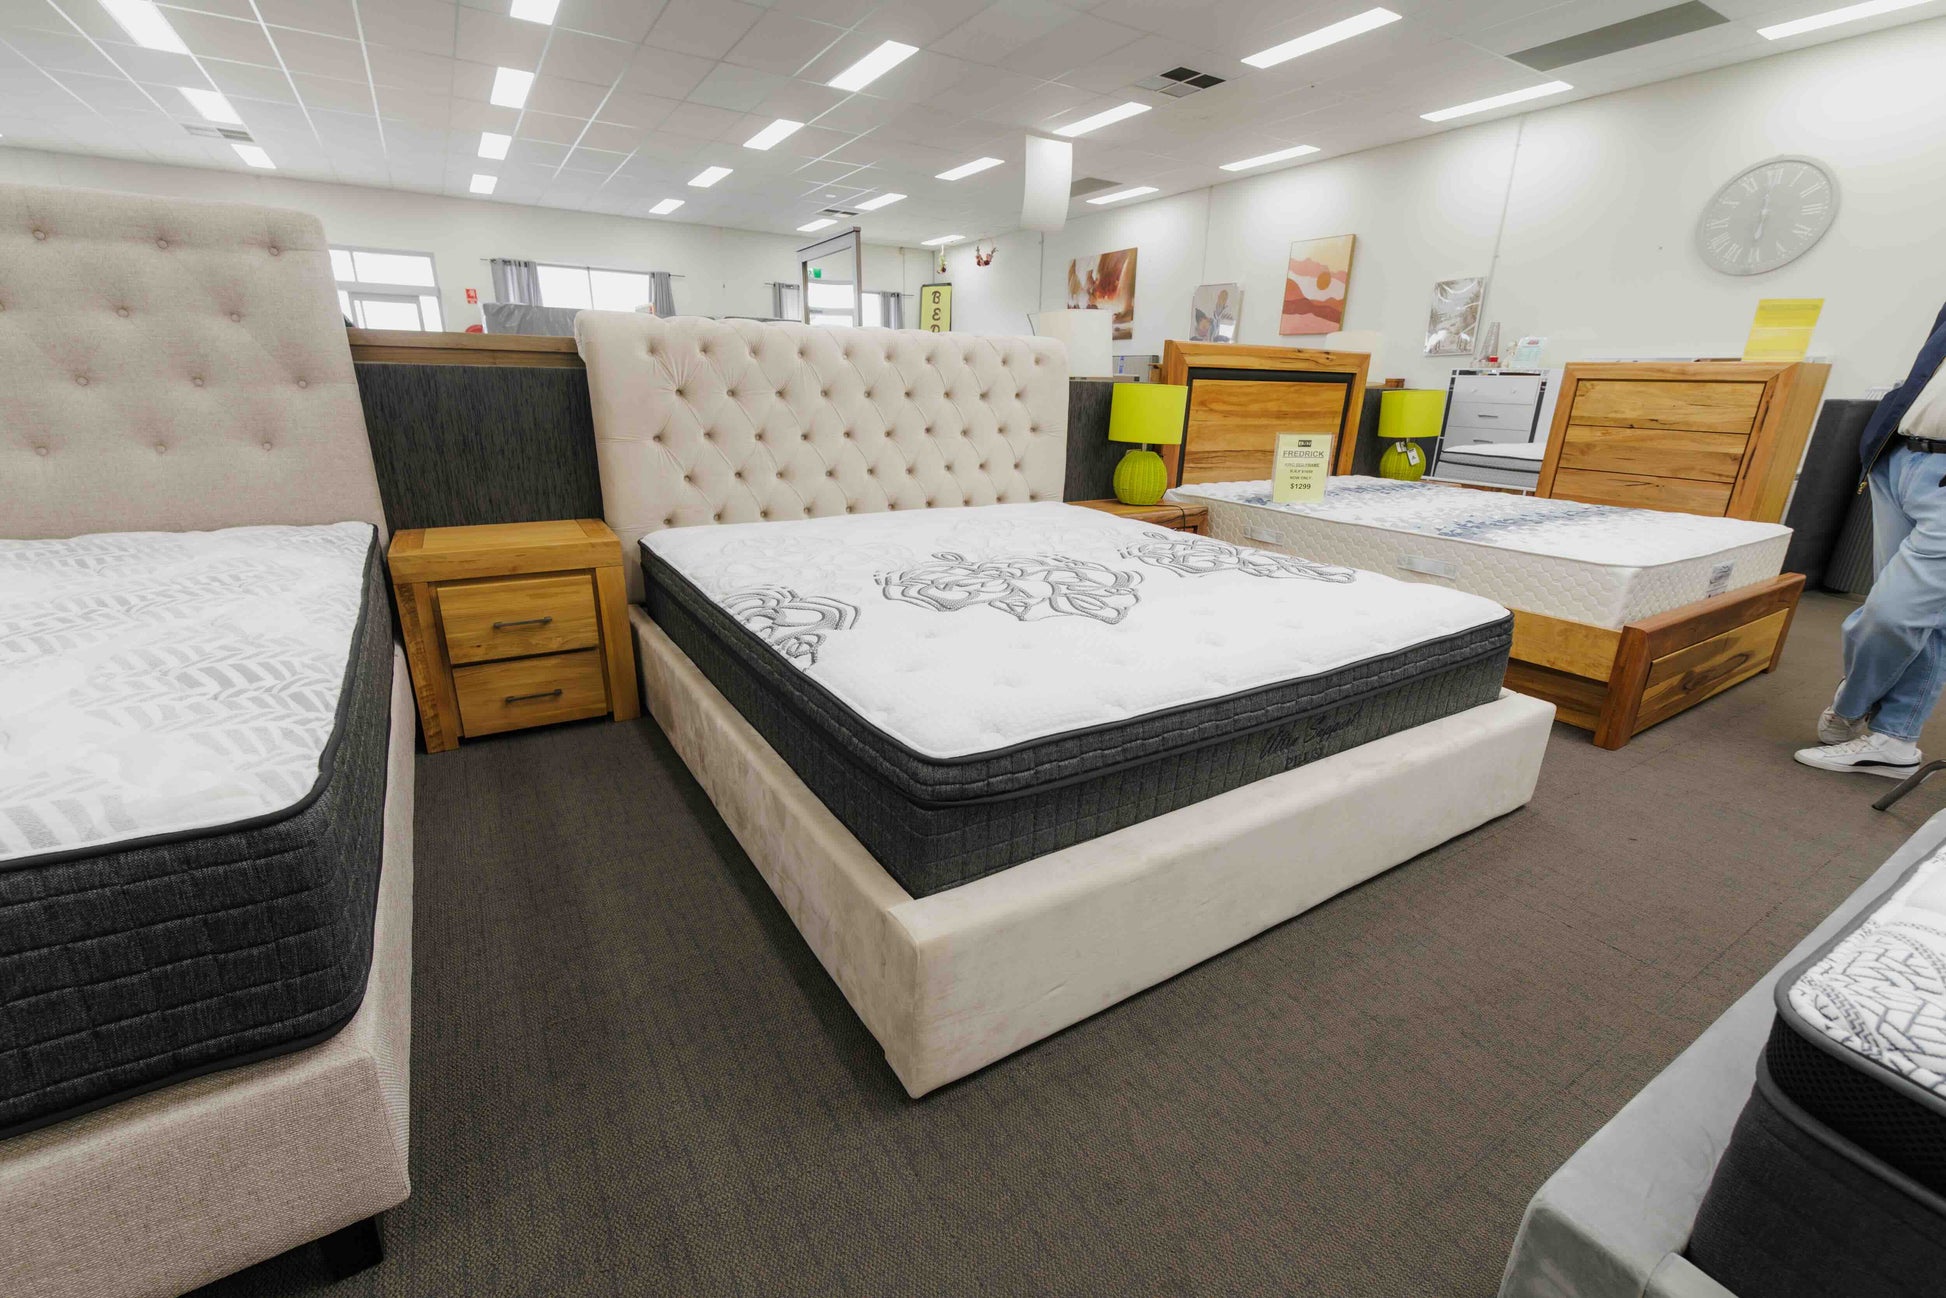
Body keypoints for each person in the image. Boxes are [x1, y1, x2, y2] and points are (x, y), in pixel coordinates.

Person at [1796, 302, 1946, 778]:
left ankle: (1850, 705)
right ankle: (1895, 740)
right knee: (1926, 619)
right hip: (1901, 458)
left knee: (1891, 613)